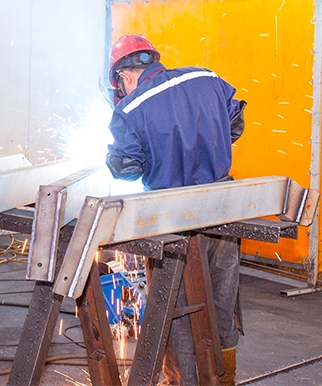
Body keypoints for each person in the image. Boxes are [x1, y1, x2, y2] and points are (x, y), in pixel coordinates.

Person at [105, 34, 246, 386]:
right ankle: (224, 377)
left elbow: (128, 169)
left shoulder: (129, 109)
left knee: (176, 310)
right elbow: (235, 125)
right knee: (222, 299)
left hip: (172, 221)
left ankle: (181, 380)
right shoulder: (205, 77)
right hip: (222, 210)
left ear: (123, 76)